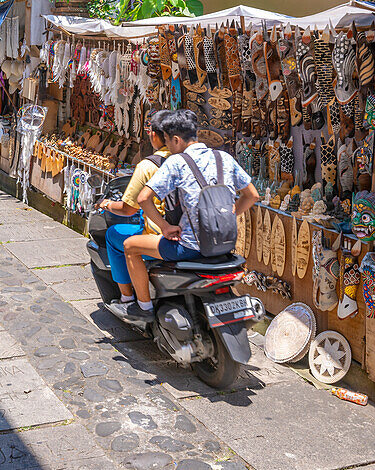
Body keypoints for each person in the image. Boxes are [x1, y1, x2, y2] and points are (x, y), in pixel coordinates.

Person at [110, 109, 259, 323]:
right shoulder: (224, 158)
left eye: (169, 142)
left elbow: (143, 199)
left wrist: (164, 227)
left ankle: (143, 307)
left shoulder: (177, 162)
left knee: (130, 246)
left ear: (177, 139)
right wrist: (229, 214)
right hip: (225, 244)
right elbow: (252, 195)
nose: (168, 148)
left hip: (190, 247)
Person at [97, 110, 173, 305]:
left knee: (114, 236)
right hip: (189, 233)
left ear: (154, 135)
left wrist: (106, 204)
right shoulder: (188, 161)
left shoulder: (149, 166)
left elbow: (127, 209)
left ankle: (130, 298)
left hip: (162, 236)